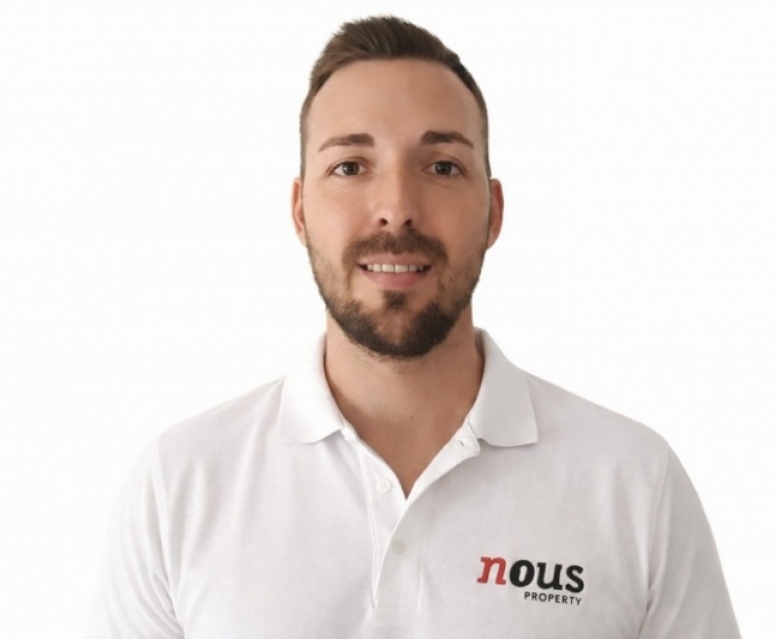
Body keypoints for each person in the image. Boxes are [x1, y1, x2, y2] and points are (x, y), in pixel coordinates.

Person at [87, 16, 740, 638]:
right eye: (350, 166)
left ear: (493, 211)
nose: (397, 208)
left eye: (442, 166)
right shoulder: (180, 486)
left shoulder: (633, 483)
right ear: (301, 211)